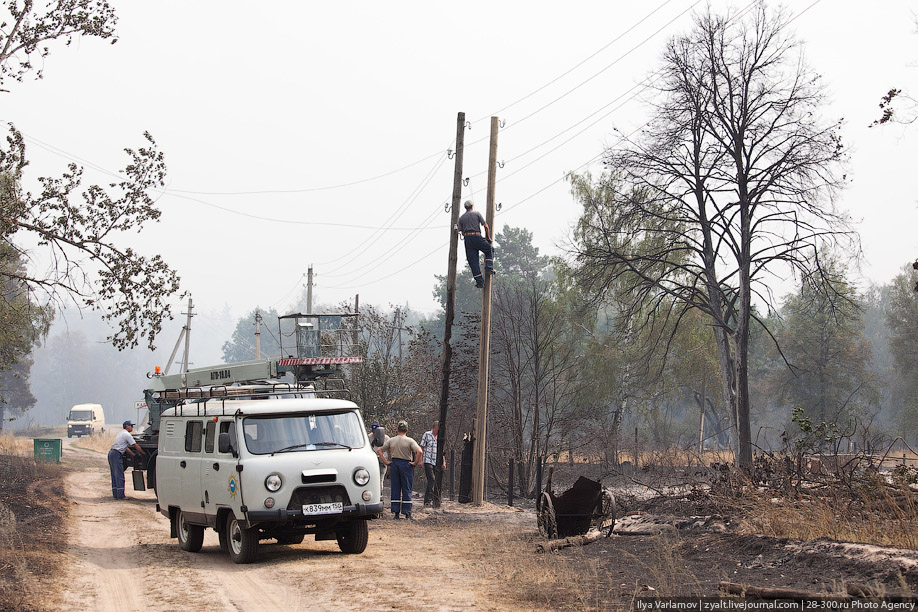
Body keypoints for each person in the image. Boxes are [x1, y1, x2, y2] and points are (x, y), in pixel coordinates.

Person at [376, 420, 422, 519]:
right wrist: (415, 463)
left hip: (395, 465)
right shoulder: (410, 441)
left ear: (397, 430)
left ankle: (396, 513)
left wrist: (386, 462)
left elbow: (379, 450)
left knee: (395, 488)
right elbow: (419, 451)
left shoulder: (391, 440)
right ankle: (407, 513)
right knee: (407, 488)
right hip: (406, 465)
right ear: (407, 430)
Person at [457, 200, 494, 288]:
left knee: (473, 261)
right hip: (476, 236)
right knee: (489, 249)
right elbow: (485, 226)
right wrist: (488, 237)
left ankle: (480, 282)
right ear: (472, 206)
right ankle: (489, 268)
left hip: (467, 240)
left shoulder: (461, 218)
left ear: (465, 207)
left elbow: (461, 232)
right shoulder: (477, 214)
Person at [108, 420, 144, 499]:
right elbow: (135, 445)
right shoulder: (127, 435)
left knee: (115, 474)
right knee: (119, 475)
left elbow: (126, 448)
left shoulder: (121, 433)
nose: (132, 427)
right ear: (127, 426)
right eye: (131, 426)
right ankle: (121, 496)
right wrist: (142, 453)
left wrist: (133, 455)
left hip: (112, 453)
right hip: (116, 454)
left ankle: (116, 494)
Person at [420, 420, 445, 507]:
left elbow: (442, 451)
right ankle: (429, 499)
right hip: (428, 460)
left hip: (436, 462)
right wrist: (420, 460)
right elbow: (421, 448)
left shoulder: (440, 437)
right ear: (435, 427)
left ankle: (431, 499)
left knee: (434, 481)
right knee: (432, 479)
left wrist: (444, 462)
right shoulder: (427, 434)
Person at [369, 422, 390, 489]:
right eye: (373, 432)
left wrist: (389, 459)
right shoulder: (369, 437)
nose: (374, 433)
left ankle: (380, 494)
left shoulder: (386, 438)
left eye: (376, 432)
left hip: (382, 459)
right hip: (372, 460)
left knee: (380, 478)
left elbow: (390, 449)